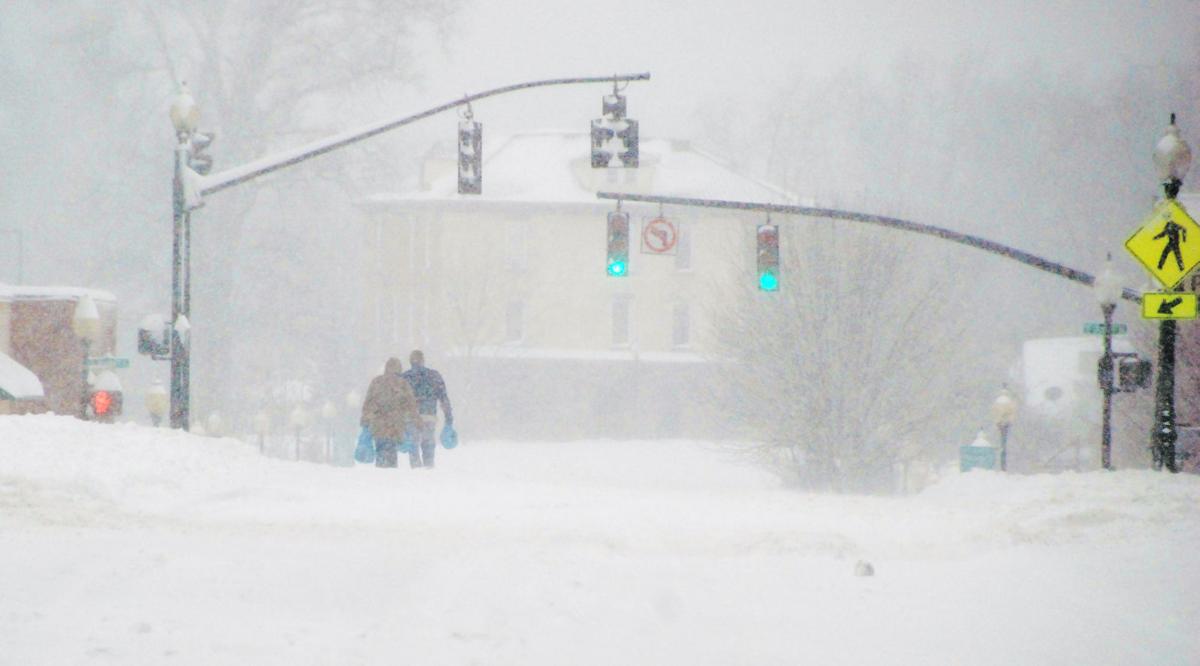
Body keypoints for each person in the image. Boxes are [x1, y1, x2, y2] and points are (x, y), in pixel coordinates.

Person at [360, 357, 419, 468]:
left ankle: (381, 469)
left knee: (380, 450)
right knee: (392, 452)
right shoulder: (402, 384)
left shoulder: (376, 382)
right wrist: (415, 419)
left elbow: (368, 402)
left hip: (378, 425)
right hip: (395, 426)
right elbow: (411, 404)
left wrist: (365, 420)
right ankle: (390, 473)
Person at [401, 350, 453, 469]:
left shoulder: (405, 377)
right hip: (428, 416)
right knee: (428, 444)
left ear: (410, 361)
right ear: (423, 360)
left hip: (411, 418)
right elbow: (443, 398)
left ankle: (416, 470)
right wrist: (448, 418)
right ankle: (428, 469)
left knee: (413, 446)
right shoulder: (434, 375)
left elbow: (399, 401)